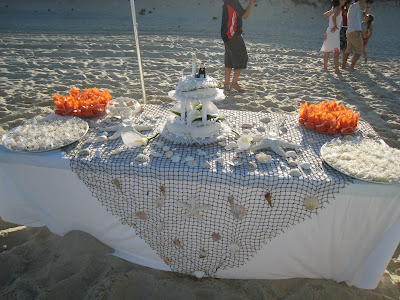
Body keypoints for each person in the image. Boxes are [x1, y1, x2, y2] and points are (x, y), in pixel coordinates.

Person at [221, 0, 257, 92]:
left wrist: (250, 3)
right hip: (232, 34)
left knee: (229, 59)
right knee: (242, 57)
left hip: (226, 34)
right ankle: (234, 83)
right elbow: (245, 16)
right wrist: (250, 4)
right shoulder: (233, 2)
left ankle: (226, 84)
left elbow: (242, 13)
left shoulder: (229, 2)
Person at [341, 0, 372, 71]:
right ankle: (351, 67)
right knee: (359, 51)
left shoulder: (356, 10)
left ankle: (343, 66)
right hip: (355, 32)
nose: (363, 6)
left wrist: (368, 6)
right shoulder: (354, 6)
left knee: (348, 50)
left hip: (349, 32)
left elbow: (365, 14)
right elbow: (361, 1)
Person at [320, 0, 346, 74]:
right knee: (336, 51)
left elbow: (325, 15)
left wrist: (331, 23)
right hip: (334, 32)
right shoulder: (338, 9)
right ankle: (336, 70)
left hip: (329, 31)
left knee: (327, 50)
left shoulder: (333, 9)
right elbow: (334, 17)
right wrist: (335, 25)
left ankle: (325, 67)